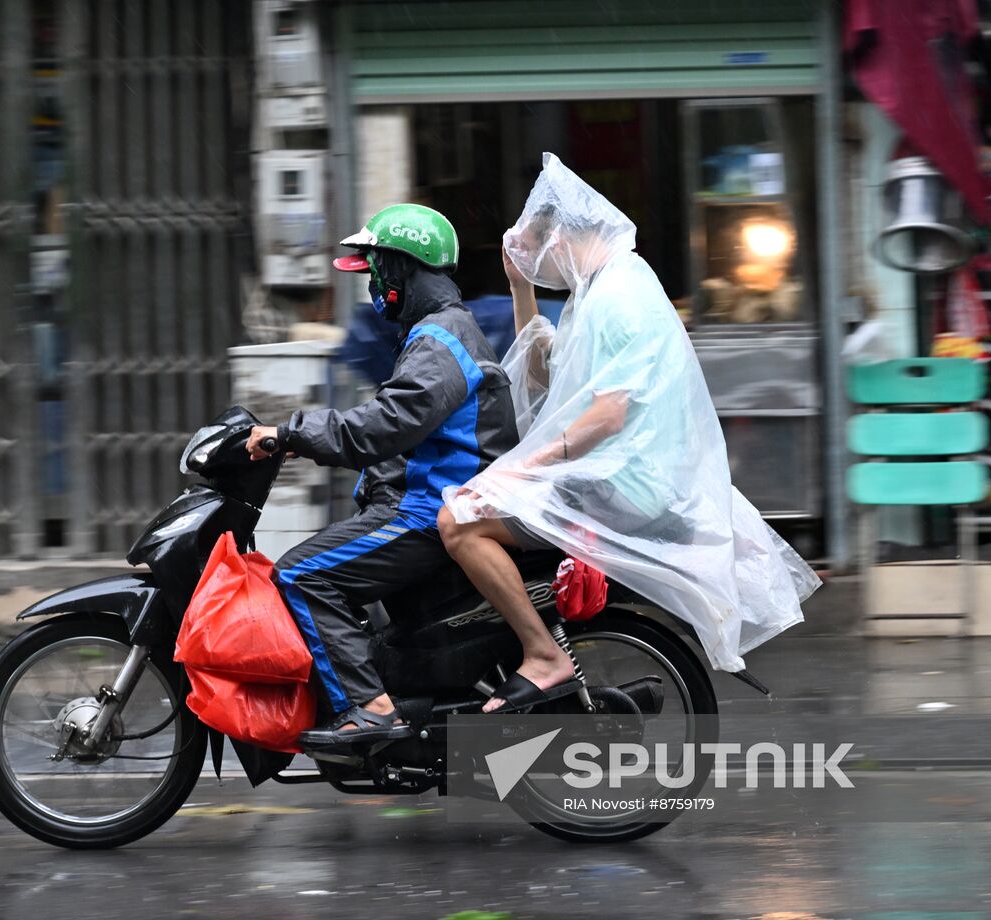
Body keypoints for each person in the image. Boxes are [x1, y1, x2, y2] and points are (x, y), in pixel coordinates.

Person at [440, 154, 819, 711]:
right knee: (484, 499)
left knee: (459, 523)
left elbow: (606, 416)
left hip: (624, 486)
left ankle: (543, 655)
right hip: (616, 476)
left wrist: (519, 469)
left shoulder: (618, 297)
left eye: (543, 257)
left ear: (564, 240)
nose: (547, 268)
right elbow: (544, 373)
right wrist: (520, 288)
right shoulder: (601, 289)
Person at [246, 204, 519, 748]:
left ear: (402, 268)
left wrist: (295, 432)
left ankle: (370, 711)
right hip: (422, 499)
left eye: (377, 270)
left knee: (302, 574)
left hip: (427, 510)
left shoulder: (440, 340)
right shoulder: (435, 334)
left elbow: (388, 424)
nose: (373, 283)